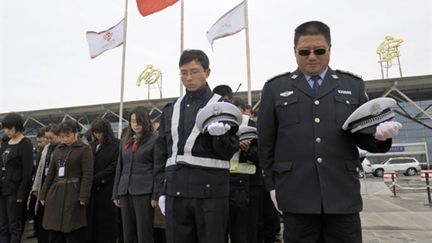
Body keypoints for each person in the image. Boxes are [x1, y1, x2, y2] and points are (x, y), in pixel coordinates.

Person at [257, 20, 401, 242]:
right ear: (295, 51)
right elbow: (266, 143)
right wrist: (271, 186)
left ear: (330, 49)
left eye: (319, 50)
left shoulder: (352, 86)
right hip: (296, 194)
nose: (312, 56)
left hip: (341, 194)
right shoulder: (275, 88)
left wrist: (380, 137)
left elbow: (362, 135)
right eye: (304, 51)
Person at [154, 49, 240, 243]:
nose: (188, 77)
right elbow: (161, 154)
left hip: (210, 194)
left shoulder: (222, 106)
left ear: (207, 72)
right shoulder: (171, 109)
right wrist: (160, 191)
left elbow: (229, 151)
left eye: (194, 71)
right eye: (183, 73)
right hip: (175, 191)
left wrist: (221, 138)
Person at [39, 120, 94, 243]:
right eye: (62, 136)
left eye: (67, 136)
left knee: (73, 231)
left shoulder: (84, 149)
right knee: (55, 233)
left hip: (73, 194)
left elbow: (87, 174)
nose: (64, 139)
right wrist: (43, 193)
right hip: (56, 194)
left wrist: (84, 196)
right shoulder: (58, 149)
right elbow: (51, 173)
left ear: (76, 134)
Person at [112, 106, 158, 243]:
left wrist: (156, 195)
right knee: (128, 232)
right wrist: (116, 193)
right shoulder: (126, 141)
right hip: (125, 191)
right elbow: (119, 167)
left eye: (138, 121)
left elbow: (157, 168)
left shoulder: (154, 140)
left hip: (144, 192)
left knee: (144, 231)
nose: (135, 125)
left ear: (145, 121)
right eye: (132, 121)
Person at [0, 112, 34, 243]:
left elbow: (27, 171)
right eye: (5, 128)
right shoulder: (5, 144)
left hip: (15, 191)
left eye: (9, 128)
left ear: (17, 126)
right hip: (3, 189)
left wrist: (22, 193)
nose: (6, 131)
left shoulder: (26, 144)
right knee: (3, 226)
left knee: (14, 226)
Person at [87, 118, 120, 243]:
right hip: (93, 189)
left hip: (108, 188)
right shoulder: (92, 145)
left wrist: (97, 178)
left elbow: (115, 165)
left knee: (108, 222)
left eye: (100, 132)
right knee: (94, 221)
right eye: (95, 132)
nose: (97, 135)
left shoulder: (117, 144)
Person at [32, 124, 61, 243]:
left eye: (51, 138)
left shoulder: (62, 147)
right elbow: (40, 169)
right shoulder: (46, 148)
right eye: (47, 138)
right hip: (44, 184)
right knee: (41, 216)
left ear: (58, 136)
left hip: (55, 186)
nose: (49, 140)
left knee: (53, 218)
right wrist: (36, 187)